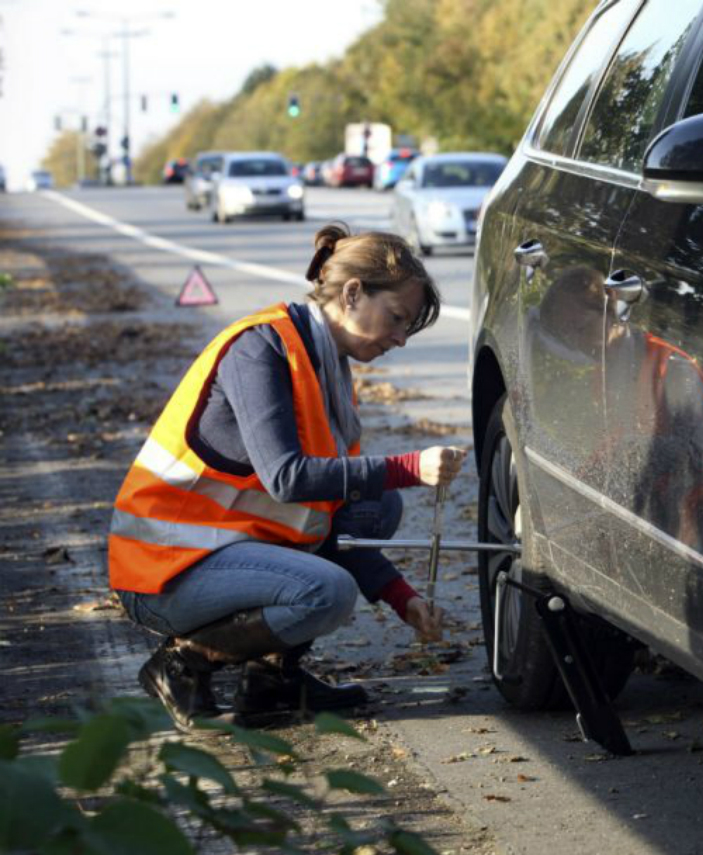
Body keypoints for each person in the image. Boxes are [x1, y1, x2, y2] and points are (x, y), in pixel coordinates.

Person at [108, 223, 467, 730]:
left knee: (377, 507)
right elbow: (287, 479)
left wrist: (402, 600)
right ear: (352, 292)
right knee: (329, 592)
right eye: (397, 318)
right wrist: (409, 468)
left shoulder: (326, 363)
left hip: (223, 550)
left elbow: (333, 524)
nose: (402, 339)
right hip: (164, 570)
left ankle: (272, 681)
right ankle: (185, 661)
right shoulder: (262, 348)